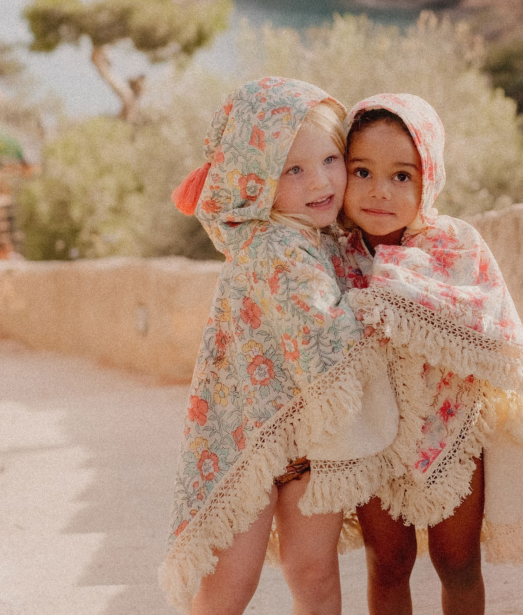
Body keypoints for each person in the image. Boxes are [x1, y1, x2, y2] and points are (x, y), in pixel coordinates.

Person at [159, 77, 399, 615]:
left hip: (310, 445)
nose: (321, 182)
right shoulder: (270, 245)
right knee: (228, 589)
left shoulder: (328, 240)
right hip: (246, 442)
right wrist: (391, 313)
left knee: (315, 576)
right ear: (255, 179)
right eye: (293, 169)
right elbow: (326, 336)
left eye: (332, 160)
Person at [337, 94, 523, 615]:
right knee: (388, 561)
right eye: (362, 171)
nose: (380, 191)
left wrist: (393, 295)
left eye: (402, 176)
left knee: (459, 562)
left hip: (453, 425)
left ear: (430, 178)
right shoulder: (334, 256)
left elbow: (486, 321)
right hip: (373, 434)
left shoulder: (455, 245)